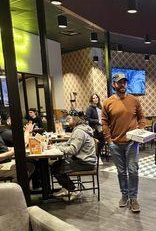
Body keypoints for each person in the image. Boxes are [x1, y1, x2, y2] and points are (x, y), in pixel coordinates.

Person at [102, 72, 145, 213]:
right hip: (115, 143)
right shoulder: (107, 102)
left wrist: (141, 131)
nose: (123, 85)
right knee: (121, 172)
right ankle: (124, 195)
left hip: (132, 142)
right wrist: (109, 140)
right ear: (114, 84)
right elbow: (104, 122)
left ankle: (133, 198)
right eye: (120, 82)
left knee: (133, 170)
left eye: (124, 82)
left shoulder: (134, 100)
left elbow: (141, 118)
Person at [51, 114, 96, 202]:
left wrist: (58, 148)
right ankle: (67, 188)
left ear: (75, 119)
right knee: (56, 165)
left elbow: (72, 150)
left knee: (55, 167)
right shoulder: (79, 129)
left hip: (85, 162)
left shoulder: (79, 131)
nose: (67, 122)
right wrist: (55, 146)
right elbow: (68, 143)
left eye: (69, 119)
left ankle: (73, 190)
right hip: (83, 160)